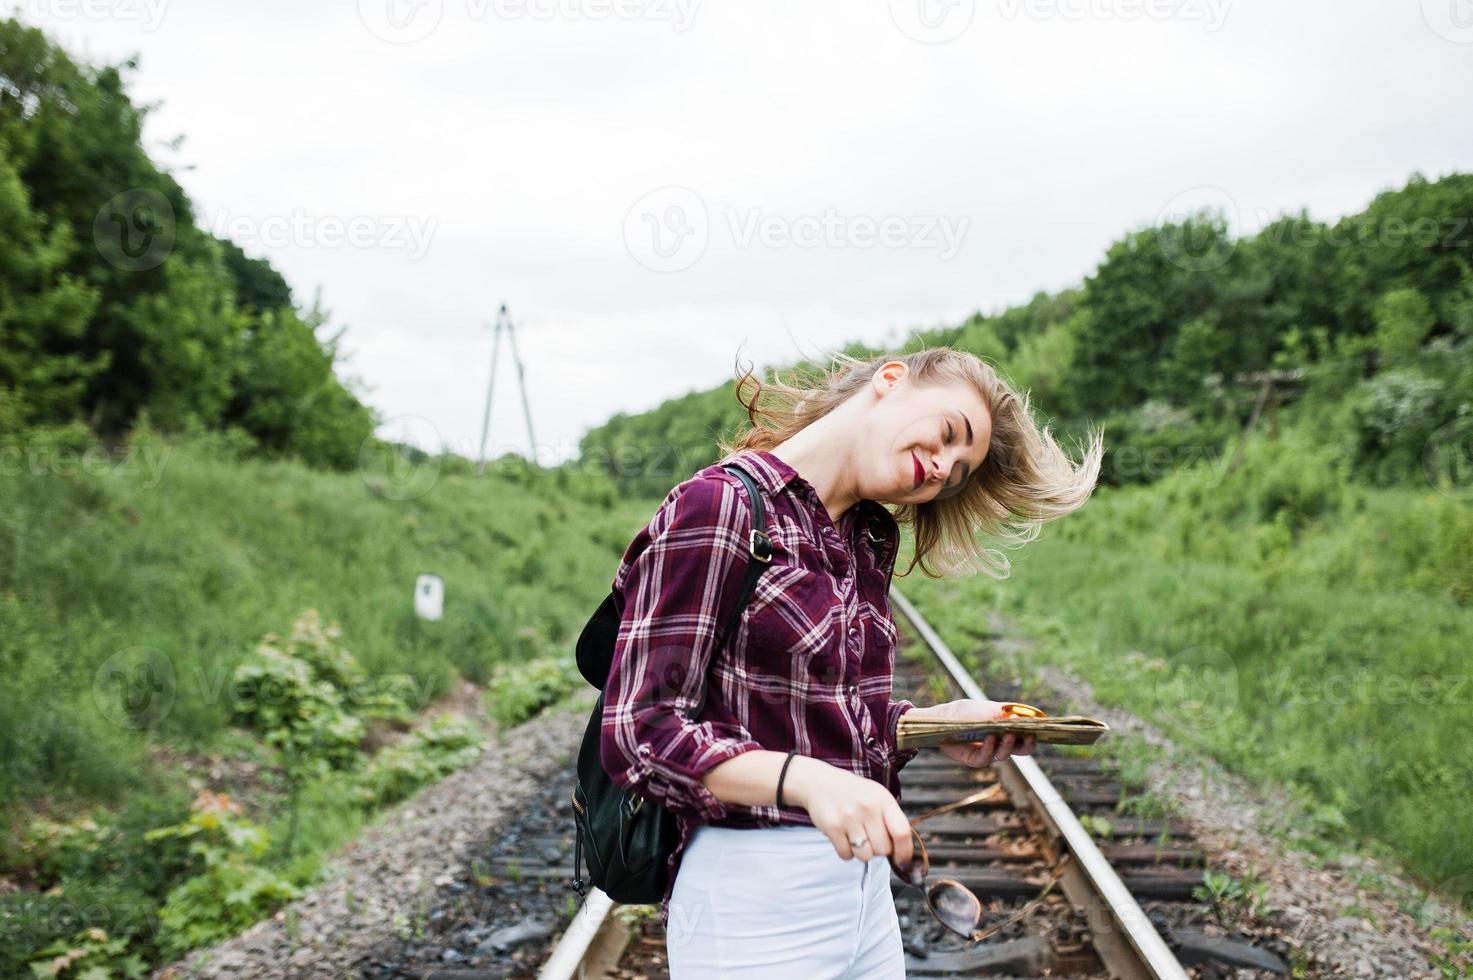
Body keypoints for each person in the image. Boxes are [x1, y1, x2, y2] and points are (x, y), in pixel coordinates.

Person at [599, 347, 1103, 977]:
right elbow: (641, 732)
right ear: (892, 381)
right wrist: (809, 782)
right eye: (950, 434)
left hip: (863, 891)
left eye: (956, 474)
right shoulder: (720, 508)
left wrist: (931, 725)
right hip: (752, 895)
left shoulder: (866, 536)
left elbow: (820, 716)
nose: (943, 467)